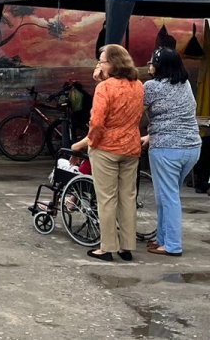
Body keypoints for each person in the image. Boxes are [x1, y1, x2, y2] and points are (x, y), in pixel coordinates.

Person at [71, 44, 144, 263]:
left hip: (106, 148)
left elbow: (97, 121)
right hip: (131, 147)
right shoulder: (139, 85)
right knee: (128, 197)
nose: (99, 64)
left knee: (107, 199)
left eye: (102, 61)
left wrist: (87, 142)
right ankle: (127, 246)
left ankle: (107, 247)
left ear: (112, 63)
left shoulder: (105, 88)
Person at [141, 48, 201, 258]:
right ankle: (162, 238)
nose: (149, 66)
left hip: (167, 150)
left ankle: (173, 245)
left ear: (159, 66)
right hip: (192, 148)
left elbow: (134, 110)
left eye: (152, 63)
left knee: (168, 198)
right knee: (166, 196)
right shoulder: (185, 85)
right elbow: (176, 115)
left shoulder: (151, 86)